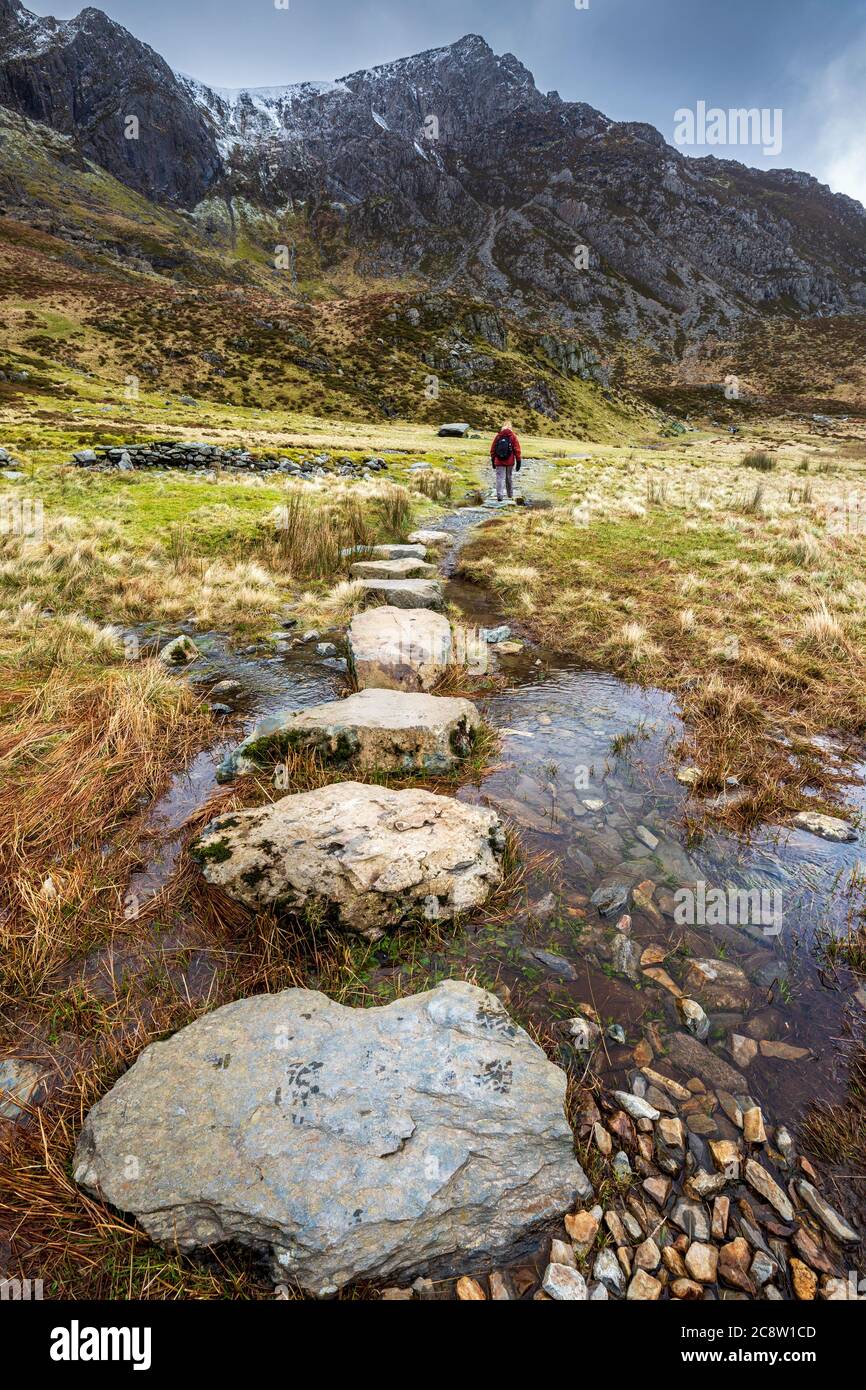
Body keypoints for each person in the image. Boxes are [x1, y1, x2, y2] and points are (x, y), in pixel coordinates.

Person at [489, 420, 521, 501]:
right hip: (510, 462)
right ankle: (510, 495)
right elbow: (517, 449)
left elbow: (493, 449)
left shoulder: (498, 436)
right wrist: (518, 461)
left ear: (502, 427)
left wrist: (493, 460)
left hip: (499, 461)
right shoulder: (513, 436)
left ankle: (499, 496)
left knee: (500, 478)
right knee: (509, 477)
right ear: (510, 427)